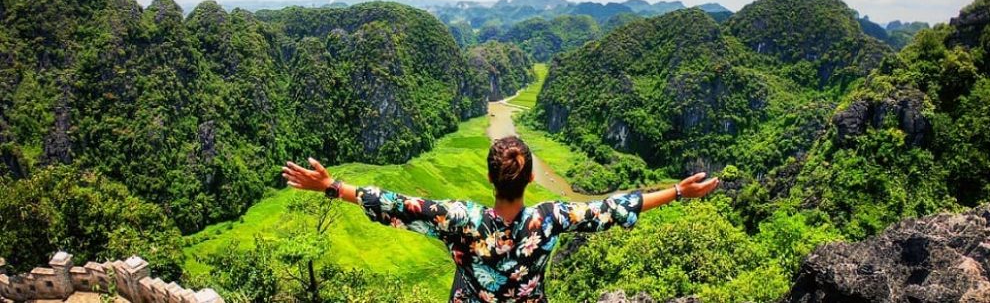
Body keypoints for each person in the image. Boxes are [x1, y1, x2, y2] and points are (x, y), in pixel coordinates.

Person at [282, 135, 719, 303]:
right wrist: (679, 191)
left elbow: (397, 204)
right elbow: (612, 209)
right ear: (530, 178)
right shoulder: (550, 218)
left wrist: (331, 186)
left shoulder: (461, 219)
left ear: (490, 178)